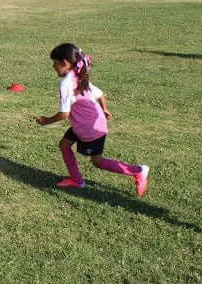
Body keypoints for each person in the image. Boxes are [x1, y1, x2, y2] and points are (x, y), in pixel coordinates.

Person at [34, 43, 149, 196]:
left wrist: (46, 121)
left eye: (55, 63)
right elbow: (100, 94)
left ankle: (138, 171)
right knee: (64, 145)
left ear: (65, 63)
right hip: (83, 124)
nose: (53, 67)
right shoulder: (78, 74)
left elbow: (64, 113)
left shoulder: (66, 83)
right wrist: (104, 109)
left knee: (97, 161)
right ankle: (77, 180)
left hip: (88, 128)